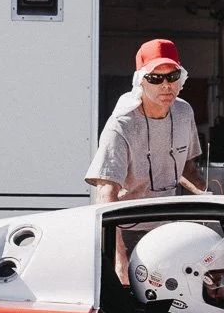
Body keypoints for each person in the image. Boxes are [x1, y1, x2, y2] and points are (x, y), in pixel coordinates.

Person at [86, 39, 204, 204]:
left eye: (172, 76)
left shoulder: (184, 112)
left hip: (168, 221)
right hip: (128, 223)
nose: (166, 85)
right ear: (140, 81)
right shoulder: (121, 125)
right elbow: (106, 191)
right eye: (155, 78)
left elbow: (187, 169)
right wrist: (111, 230)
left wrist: (210, 196)